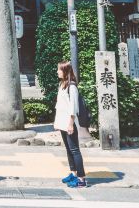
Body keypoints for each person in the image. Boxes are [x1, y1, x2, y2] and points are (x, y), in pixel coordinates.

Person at [54, 60, 87, 188]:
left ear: (65, 71)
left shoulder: (72, 87)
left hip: (69, 123)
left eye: (59, 69)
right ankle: (73, 174)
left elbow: (73, 108)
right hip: (62, 123)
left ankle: (81, 179)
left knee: (75, 150)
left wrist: (71, 124)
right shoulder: (62, 85)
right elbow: (60, 106)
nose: (57, 71)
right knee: (69, 150)